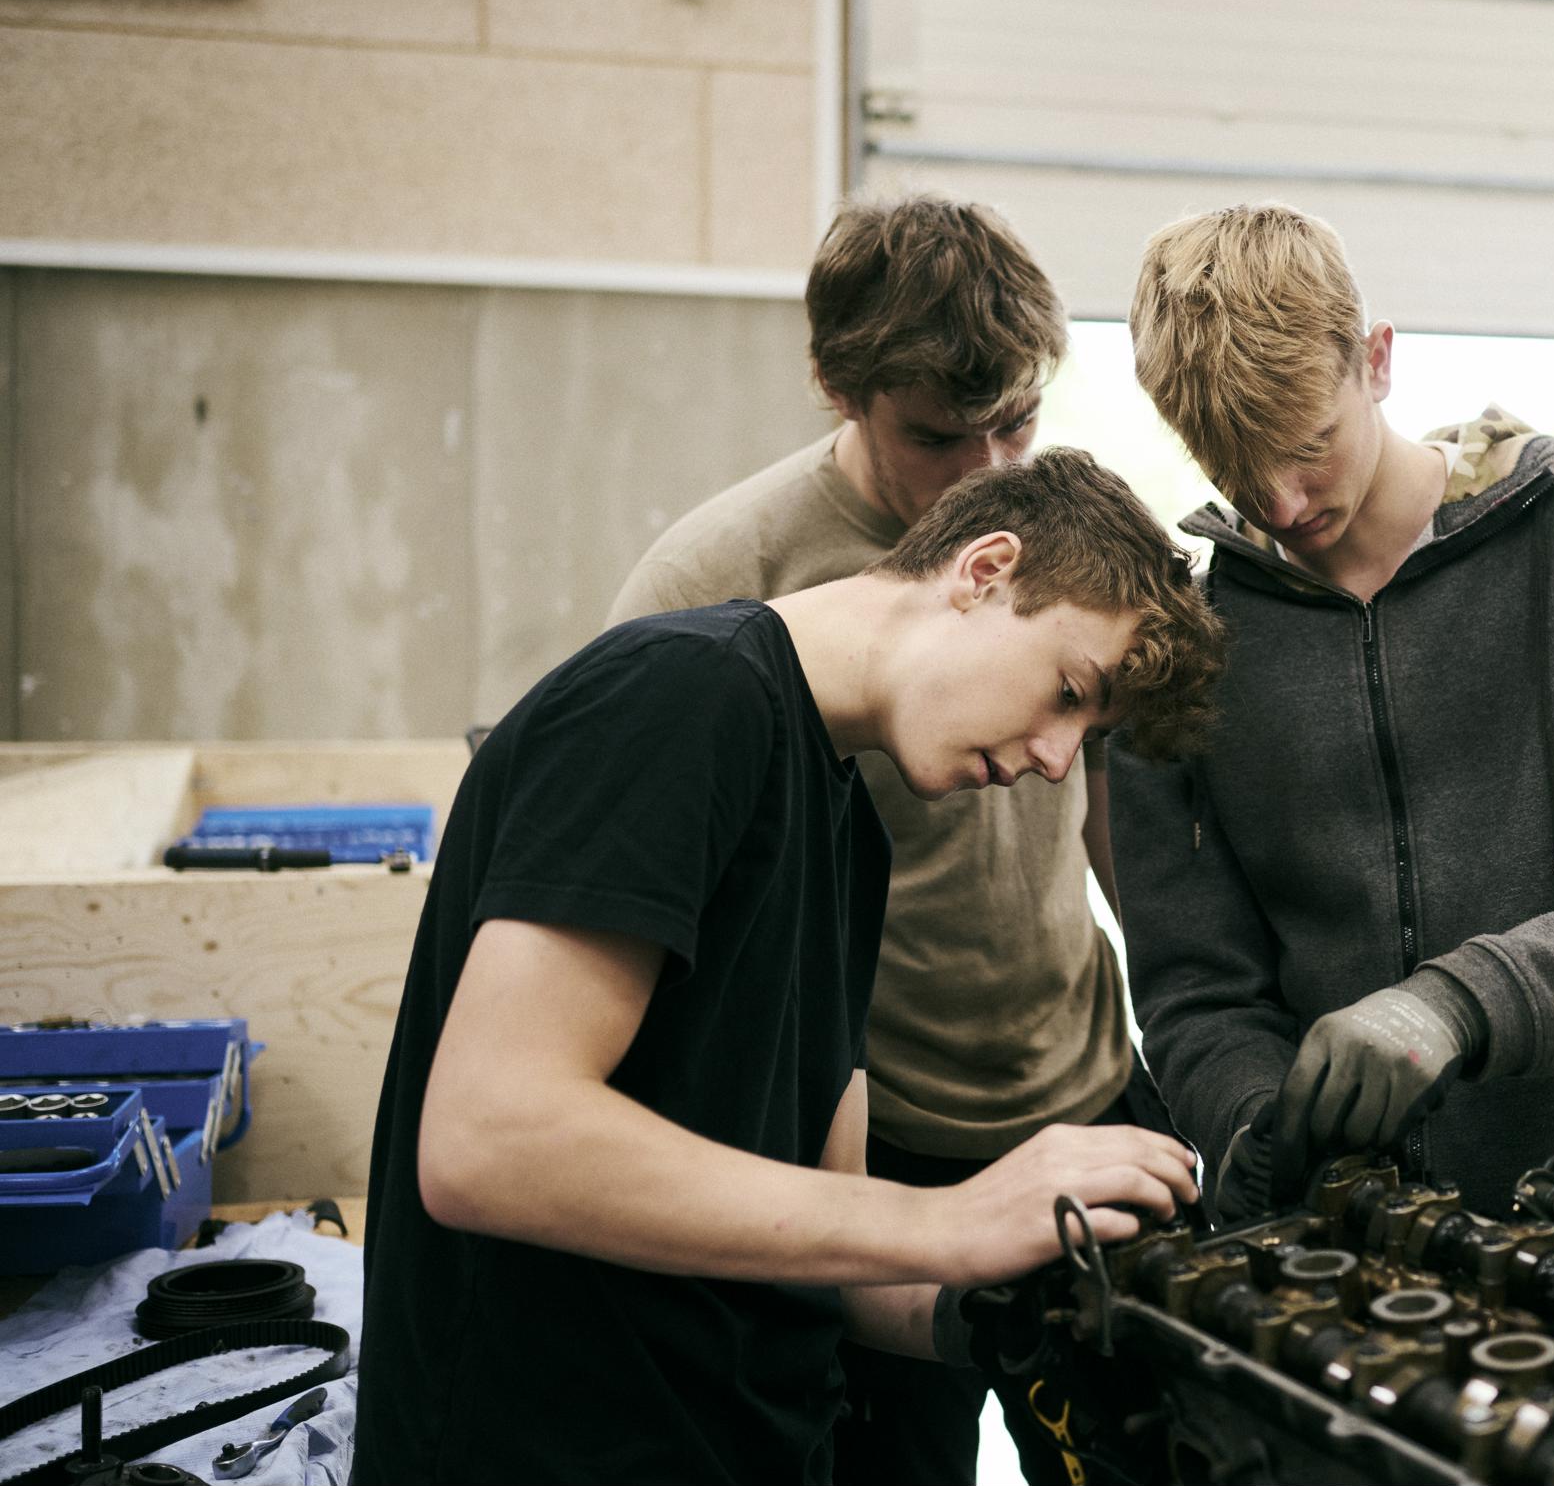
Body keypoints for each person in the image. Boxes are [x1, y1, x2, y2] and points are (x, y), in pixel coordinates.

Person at [355, 449, 1222, 1486]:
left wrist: (1006, 1319)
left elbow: (823, 1236)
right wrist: (944, 1218)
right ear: (985, 568)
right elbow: (487, 1139)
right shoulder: (677, 695)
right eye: (1069, 691)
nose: (1055, 761)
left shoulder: (851, 833)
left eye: (1088, 731)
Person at [606, 196, 1157, 1482]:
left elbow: (1122, 821)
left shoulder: (1062, 544)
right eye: (934, 435)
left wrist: (1187, 1029)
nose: (983, 475)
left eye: (1015, 423)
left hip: (1081, 1088)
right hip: (869, 1143)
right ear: (835, 389)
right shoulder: (715, 584)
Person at [1109, 202, 1554, 1223]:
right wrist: (1261, 1127)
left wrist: (1460, 1002)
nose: (1284, 505)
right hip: (1337, 1258)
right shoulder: (1182, 652)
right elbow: (1194, 989)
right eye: (1231, 470)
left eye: (1308, 444)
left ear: (1376, 359)